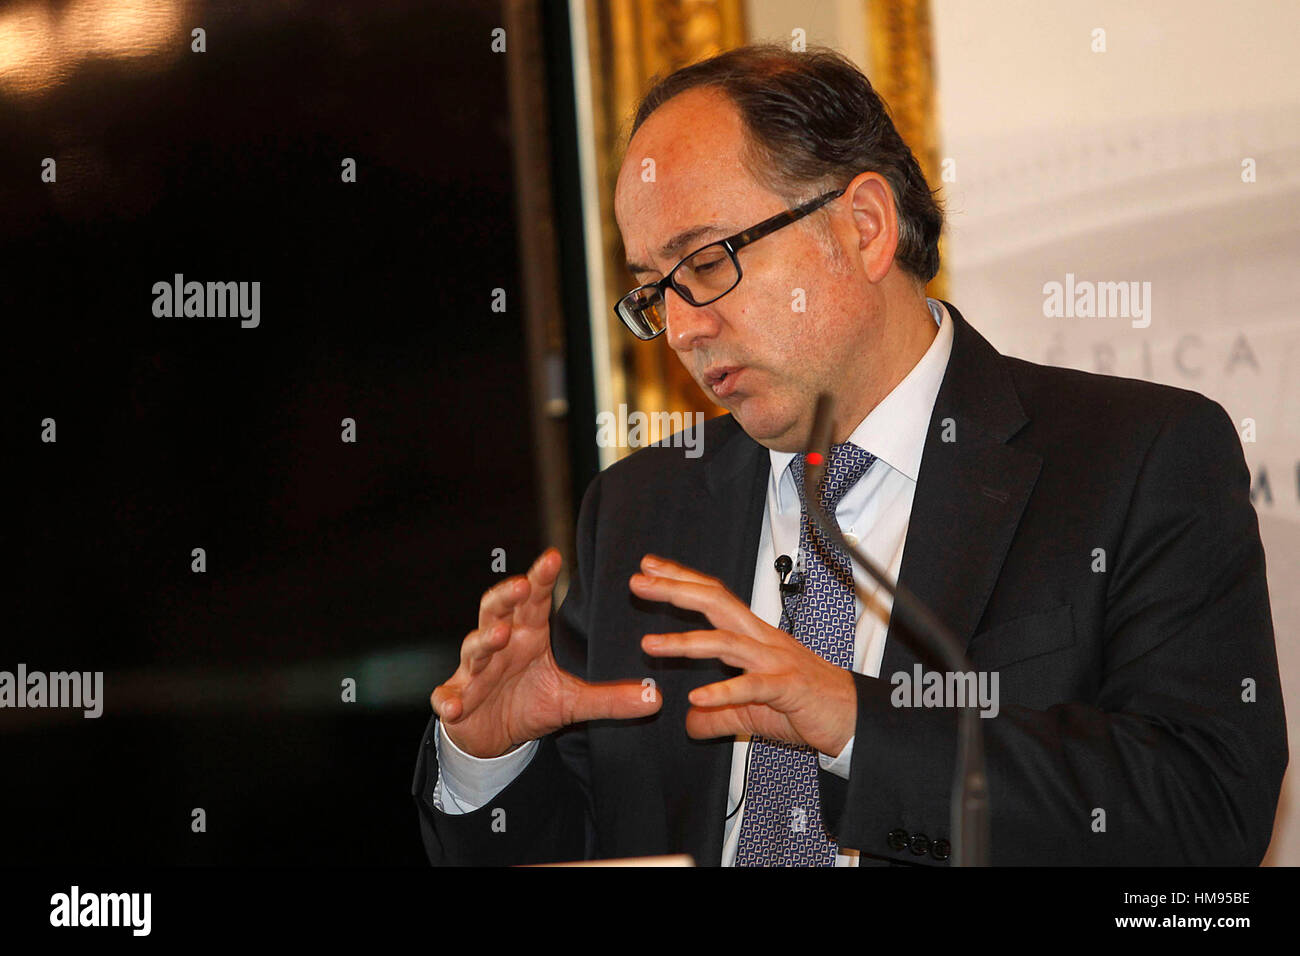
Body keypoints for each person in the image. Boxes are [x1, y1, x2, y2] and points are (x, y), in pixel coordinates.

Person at [411, 44, 1287, 866]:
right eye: (653, 291)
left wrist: (855, 722)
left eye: (707, 263)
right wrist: (491, 760)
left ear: (865, 225)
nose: (680, 328)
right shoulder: (642, 508)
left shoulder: (1133, 459)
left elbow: (1207, 806)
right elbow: (592, 843)